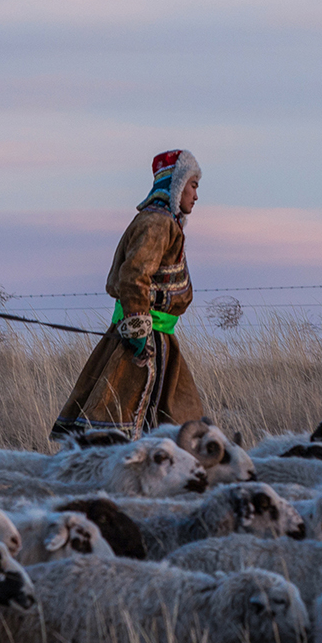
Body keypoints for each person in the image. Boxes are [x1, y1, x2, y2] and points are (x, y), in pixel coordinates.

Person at [51, 149, 207, 440]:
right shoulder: (157, 223)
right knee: (136, 418)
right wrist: (137, 326)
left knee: (169, 411)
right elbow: (134, 275)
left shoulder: (162, 222)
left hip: (156, 335)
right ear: (176, 185)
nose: (196, 195)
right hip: (144, 336)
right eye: (193, 185)